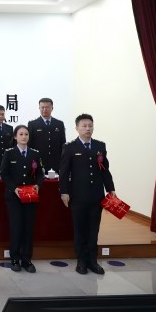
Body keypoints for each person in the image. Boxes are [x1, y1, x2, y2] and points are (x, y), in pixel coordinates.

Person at [60, 113, 116, 276]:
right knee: (79, 229)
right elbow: (64, 172)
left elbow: (104, 169)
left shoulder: (100, 146)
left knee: (93, 229)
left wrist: (110, 188)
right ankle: (81, 261)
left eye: (90, 126)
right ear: (77, 128)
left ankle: (93, 261)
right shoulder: (70, 147)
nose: (87, 129)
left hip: (96, 195)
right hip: (77, 196)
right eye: (84, 126)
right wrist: (64, 191)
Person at [0, 125, 44, 273]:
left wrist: (38, 185)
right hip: (14, 197)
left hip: (30, 196)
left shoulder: (35, 153)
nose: (24, 137)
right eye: (21, 134)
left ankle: (27, 260)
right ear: (15, 137)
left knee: (28, 228)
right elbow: (4, 174)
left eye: (26, 134)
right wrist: (14, 188)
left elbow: (40, 174)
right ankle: (14, 259)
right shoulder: (9, 153)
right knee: (16, 227)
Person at [28, 98, 66, 173]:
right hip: (38, 161)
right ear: (39, 108)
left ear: (52, 108)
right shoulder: (32, 124)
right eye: (42, 107)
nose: (44, 110)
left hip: (56, 162)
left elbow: (63, 143)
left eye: (47, 107)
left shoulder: (59, 124)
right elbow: (30, 144)